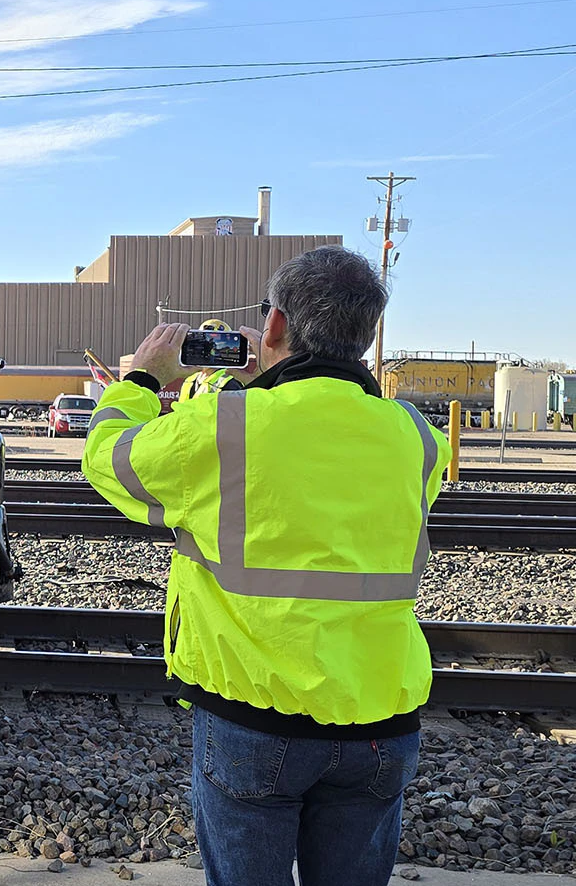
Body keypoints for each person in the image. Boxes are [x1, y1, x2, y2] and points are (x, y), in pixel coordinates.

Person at [81, 246, 449, 886]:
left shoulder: (225, 425)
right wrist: (275, 379)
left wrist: (140, 382)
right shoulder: (416, 436)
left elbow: (109, 460)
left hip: (256, 723)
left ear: (274, 326)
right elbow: (325, 485)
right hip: (382, 728)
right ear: (365, 336)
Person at [174, 318, 246, 403]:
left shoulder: (230, 383)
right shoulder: (190, 379)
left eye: (210, 346)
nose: (204, 350)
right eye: (201, 344)